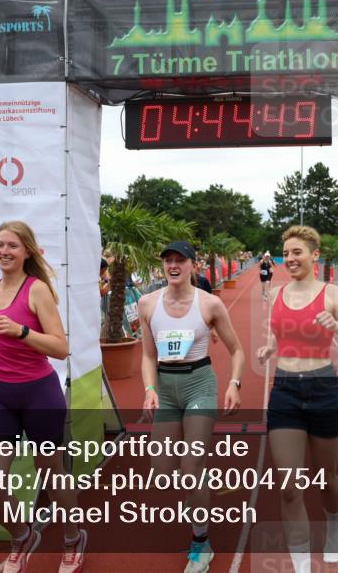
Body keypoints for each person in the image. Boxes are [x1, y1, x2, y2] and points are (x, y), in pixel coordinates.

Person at [0, 220, 86, 573]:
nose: (4, 251)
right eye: (0, 244)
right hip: (0, 395)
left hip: (39, 395)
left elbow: (60, 348)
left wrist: (21, 331)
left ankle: (73, 538)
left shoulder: (37, 291)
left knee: (51, 475)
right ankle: (22, 535)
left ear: (28, 252)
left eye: (13, 246)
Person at [257, 226, 338, 573]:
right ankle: (303, 566)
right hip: (285, 391)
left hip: (323, 389)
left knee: (326, 477)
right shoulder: (276, 294)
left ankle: (334, 526)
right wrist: (270, 348)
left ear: (314, 255)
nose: (290, 259)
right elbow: (277, 333)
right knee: (289, 487)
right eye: (286, 254)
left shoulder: (332, 295)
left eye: (297, 252)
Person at [139, 240, 245, 573]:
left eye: (180, 260)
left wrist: (234, 383)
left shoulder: (210, 304)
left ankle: (201, 543)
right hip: (166, 389)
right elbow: (148, 355)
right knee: (161, 472)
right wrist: (149, 389)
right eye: (168, 260)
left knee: (190, 469)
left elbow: (237, 350)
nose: (173, 265)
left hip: (199, 384)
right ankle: (199, 476)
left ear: (192, 266)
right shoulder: (147, 303)